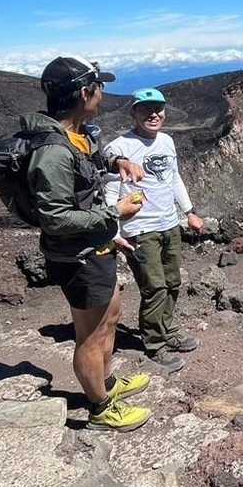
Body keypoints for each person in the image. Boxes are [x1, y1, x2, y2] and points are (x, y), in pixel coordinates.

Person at [23, 56, 154, 433]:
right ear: (84, 93)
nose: (103, 95)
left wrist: (117, 164)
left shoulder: (76, 136)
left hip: (96, 246)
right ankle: (100, 409)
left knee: (110, 316)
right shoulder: (53, 151)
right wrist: (116, 212)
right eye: (99, 88)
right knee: (91, 335)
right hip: (78, 256)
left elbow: (86, 171)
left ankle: (107, 383)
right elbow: (56, 218)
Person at [103, 88, 205, 372]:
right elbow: (110, 186)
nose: (153, 114)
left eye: (158, 109)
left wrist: (189, 211)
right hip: (140, 229)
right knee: (155, 288)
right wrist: (114, 231)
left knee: (172, 283)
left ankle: (168, 330)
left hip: (169, 224)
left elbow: (174, 178)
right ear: (133, 112)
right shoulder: (120, 147)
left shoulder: (167, 141)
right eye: (146, 109)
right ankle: (155, 344)